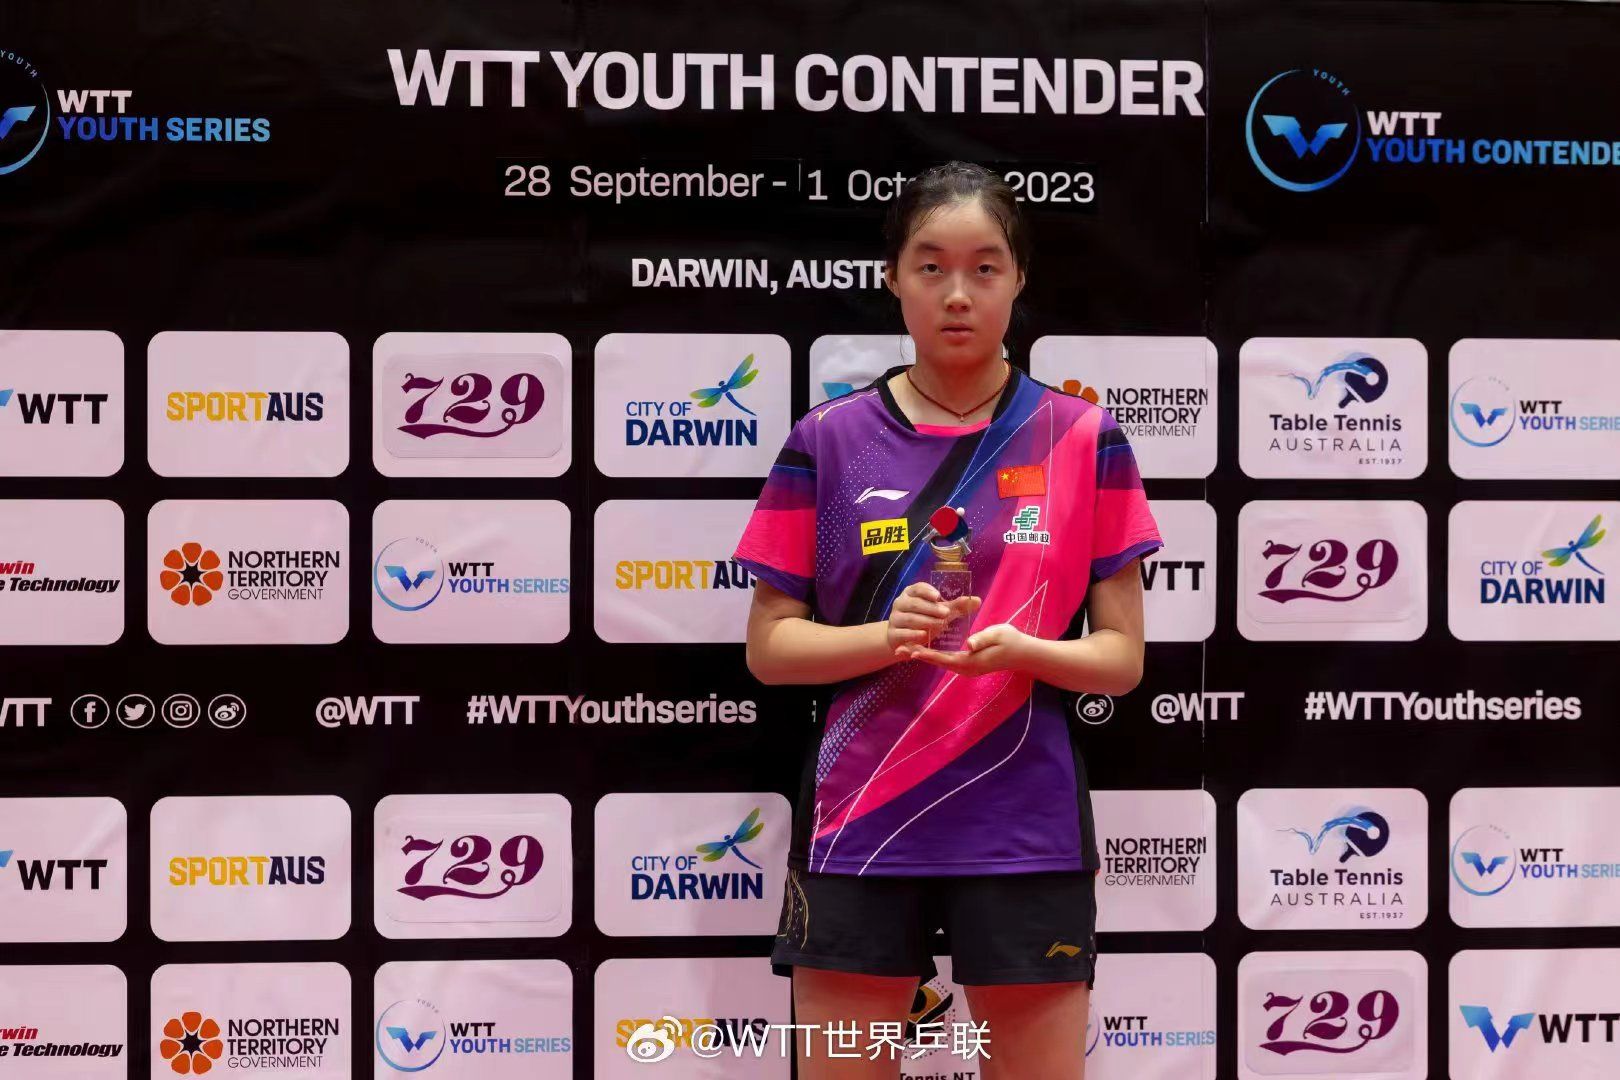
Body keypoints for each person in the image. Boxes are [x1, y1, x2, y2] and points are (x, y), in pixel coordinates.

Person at [733, 160, 1163, 1079]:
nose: (957, 294)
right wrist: (885, 638)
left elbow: (1122, 659)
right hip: (860, 820)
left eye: (984, 268)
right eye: (930, 267)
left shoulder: (1084, 437)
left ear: (1019, 279)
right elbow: (769, 648)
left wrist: (1026, 651)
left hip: (1024, 825)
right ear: (893, 277)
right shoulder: (828, 438)